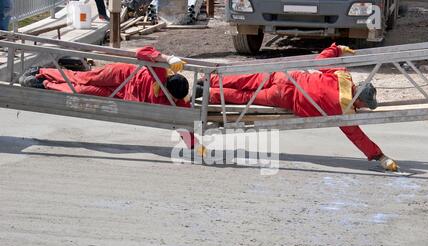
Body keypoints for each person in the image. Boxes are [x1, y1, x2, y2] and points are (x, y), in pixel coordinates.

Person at [197, 43, 399, 172]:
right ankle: (211, 94)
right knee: (246, 97)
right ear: (359, 101)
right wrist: (380, 156)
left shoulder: (341, 75)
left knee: (247, 79)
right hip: (284, 97)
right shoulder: (344, 112)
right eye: (364, 105)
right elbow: (357, 136)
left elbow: (320, 60)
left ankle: (210, 80)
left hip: (286, 76)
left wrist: (337, 49)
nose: (363, 108)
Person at [20, 46, 189, 108]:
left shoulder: (179, 102)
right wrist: (168, 58)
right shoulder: (160, 75)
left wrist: (197, 148)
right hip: (123, 75)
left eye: (174, 98)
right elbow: (142, 52)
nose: (171, 98)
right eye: (170, 94)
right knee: (84, 78)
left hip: (122, 95)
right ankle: (41, 72)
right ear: (167, 84)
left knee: (81, 90)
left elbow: (186, 124)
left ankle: (44, 84)